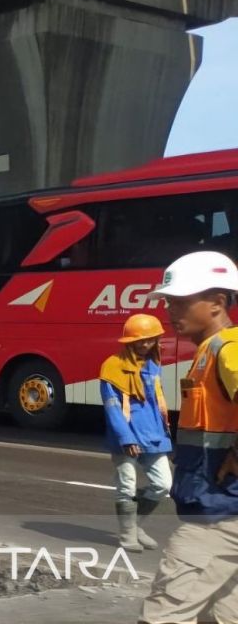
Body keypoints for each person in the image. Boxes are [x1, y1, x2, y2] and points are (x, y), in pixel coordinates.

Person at [141, 251, 238, 624]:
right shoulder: (208, 352)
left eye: (181, 301)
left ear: (217, 303)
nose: (170, 310)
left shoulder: (227, 350)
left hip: (220, 519)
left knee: (163, 616)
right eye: (169, 301)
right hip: (220, 510)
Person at [99, 313, 172, 552]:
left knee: (163, 484)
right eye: (140, 340)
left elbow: (156, 402)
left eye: (150, 340)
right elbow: (112, 408)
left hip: (153, 434)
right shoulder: (112, 367)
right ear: (128, 341)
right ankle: (127, 534)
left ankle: (137, 524)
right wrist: (125, 438)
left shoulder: (153, 365)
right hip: (126, 437)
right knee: (126, 485)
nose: (144, 345)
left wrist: (164, 433)